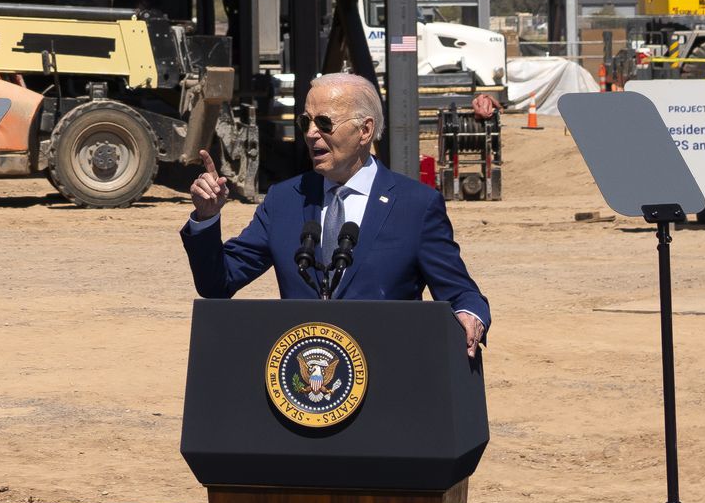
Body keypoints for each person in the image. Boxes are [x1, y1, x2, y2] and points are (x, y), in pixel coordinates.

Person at [184, 73, 490, 355]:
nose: (311, 134)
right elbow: (218, 283)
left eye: (325, 123)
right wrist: (206, 218)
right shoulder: (284, 200)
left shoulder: (416, 205)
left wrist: (470, 315)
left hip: (388, 376)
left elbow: (461, 292)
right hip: (302, 385)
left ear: (365, 130)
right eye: (305, 123)